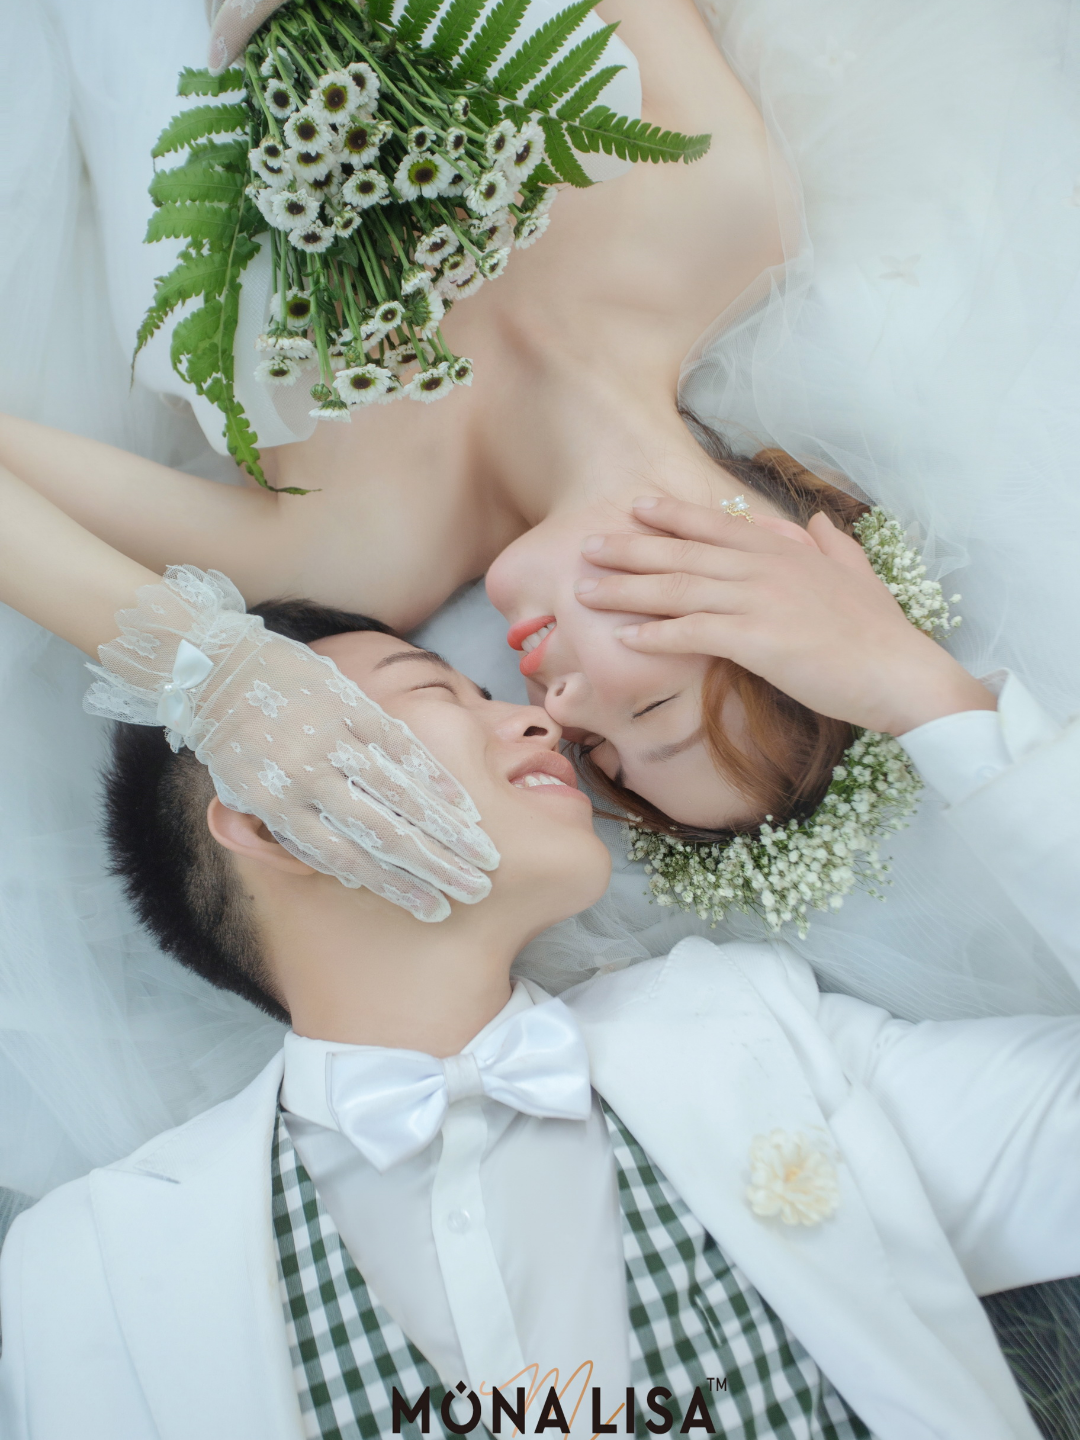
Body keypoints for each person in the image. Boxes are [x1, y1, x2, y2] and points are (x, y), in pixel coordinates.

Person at [1, 521, 1079, 1437]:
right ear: (273, 821)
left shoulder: (762, 1041)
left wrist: (917, 690)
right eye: (433, 691)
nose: (543, 720)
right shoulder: (95, 1270)